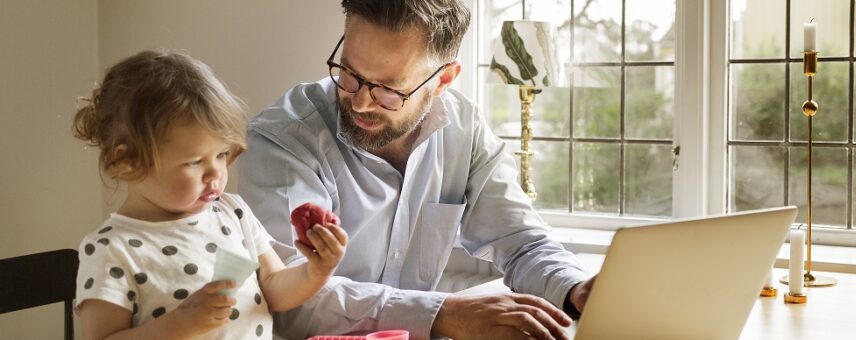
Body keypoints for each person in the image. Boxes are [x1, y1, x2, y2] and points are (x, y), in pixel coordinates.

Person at [237, 1, 598, 339]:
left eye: (389, 89)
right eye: (348, 73)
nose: (360, 102)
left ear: (443, 80)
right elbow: (289, 297)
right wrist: (445, 314)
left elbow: (522, 242)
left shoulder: (464, 127)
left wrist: (576, 289)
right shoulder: (281, 139)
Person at [71, 51, 348, 340]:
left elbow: (274, 285)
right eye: (194, 162)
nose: (216, 173)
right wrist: (179, 324)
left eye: (221, 155)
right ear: (129, 162)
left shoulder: (232, 211)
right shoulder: (111, 249)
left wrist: (316, 272)